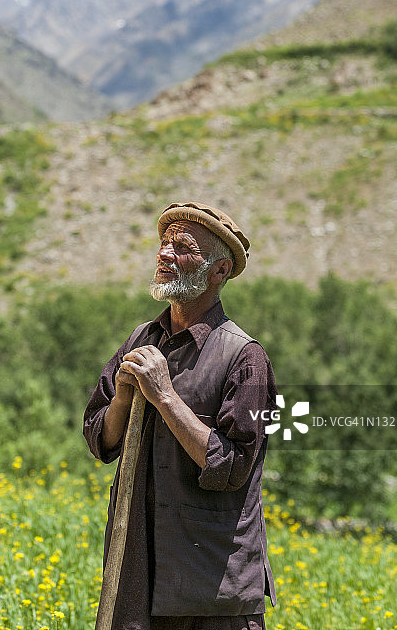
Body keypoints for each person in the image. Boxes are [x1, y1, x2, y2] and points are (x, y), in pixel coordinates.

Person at [83, 202, 278, 630]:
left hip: (211, 590)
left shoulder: (245, 358)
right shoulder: (142, 338)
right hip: (137, 576)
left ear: (219, 271)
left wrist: (166, 396)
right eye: (164, 244)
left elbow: (231, 467)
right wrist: (124, 396)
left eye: (183, 247)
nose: (165, 254)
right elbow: (101, 439)